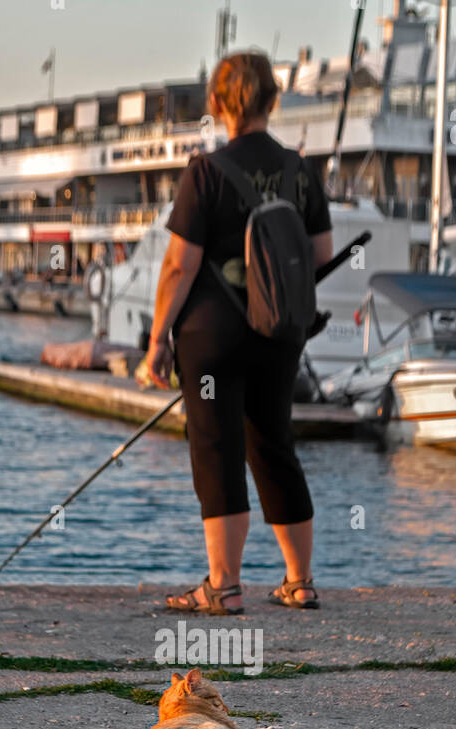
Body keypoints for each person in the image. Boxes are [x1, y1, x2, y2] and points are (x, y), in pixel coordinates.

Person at [147, 49, 332, 614]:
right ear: (272, 100)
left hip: (212, 336)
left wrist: (157, 340)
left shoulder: (206, 172)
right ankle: (299, 581)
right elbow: (321, 253)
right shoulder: (300, 171)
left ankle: (223, 587)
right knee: (275, 442)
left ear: (220, 104)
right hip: (278, 330)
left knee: (217, 448)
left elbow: (179, 266)